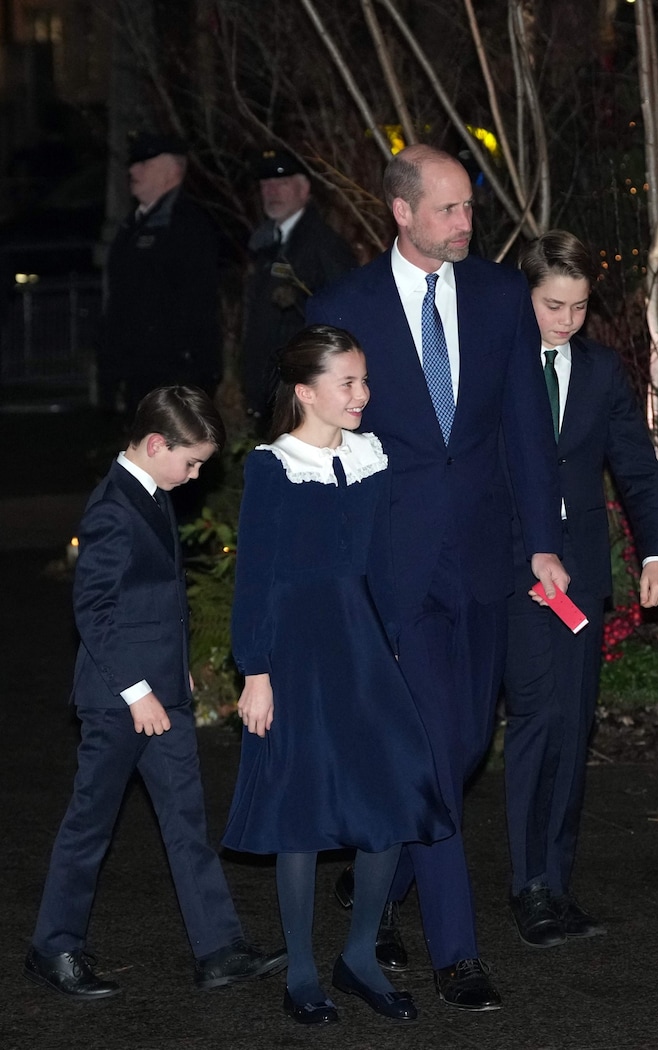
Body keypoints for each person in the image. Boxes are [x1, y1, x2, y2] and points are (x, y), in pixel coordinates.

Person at [306, 144, 568, 1011]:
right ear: (403, 212)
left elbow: (527, 432)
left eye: (469, 207)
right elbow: (315, 445)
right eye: (450, 209)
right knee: (426, 747)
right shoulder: (344, 308)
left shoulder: (499, 298)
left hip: (487, 557)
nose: (467, 223)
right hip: (394, 565)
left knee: (462, 749)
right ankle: (458, 952)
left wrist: (542, 540)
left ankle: (382, 872)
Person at [222, 325, 454, 1026]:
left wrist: (389, 641)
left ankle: (357, 956)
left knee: (390, 796)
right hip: (296, 651)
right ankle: (299, 971)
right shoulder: (273, 465)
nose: (363, 394)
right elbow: (254, 576)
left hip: (361, 645)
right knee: (301, 809)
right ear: (306, 393)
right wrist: (254, 669)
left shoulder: (370, 455)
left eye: (364, 380)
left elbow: (379, 561)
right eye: (348, 383)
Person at [24, 386, 286, 1001]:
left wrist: (176, 669)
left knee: (186, 820)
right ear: (152, 444)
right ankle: (53, 946)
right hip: (121, 700)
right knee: (90, 824)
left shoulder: (152, 491)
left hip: (159, 692)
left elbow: (153, 599)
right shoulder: (113, 507)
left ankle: (217, 948)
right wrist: (138, 690)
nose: (196, 474)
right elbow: (94, 609)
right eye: (191, 461)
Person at [504, 230, 658, 947]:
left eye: (577, 307)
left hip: (580, 574)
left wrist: (657, 553)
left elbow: (634, 466)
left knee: (572, 728)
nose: (565, 321)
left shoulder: (603, 371)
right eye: (552, 305)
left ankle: (553, 882)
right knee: (535, 721)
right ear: (527, 295)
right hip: (511, 571)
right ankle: (526, 884)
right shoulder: (500, 363)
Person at [100, 133, 222, 416]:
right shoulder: (133, 225)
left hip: (174, 371)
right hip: (137, 369)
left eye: (144, 164)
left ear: (172, 171)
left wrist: (196, 368)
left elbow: (197, 301)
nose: (132, 171)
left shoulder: (187, 224)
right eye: (134, 164)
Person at [240, 148, 356, 422]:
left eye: (282, 183)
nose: (272, 191)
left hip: (302, 396)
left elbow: (343, 319)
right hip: (270, 393)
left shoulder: (324, 245)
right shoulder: (265, 243)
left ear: (304, 189)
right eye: (266, 184)